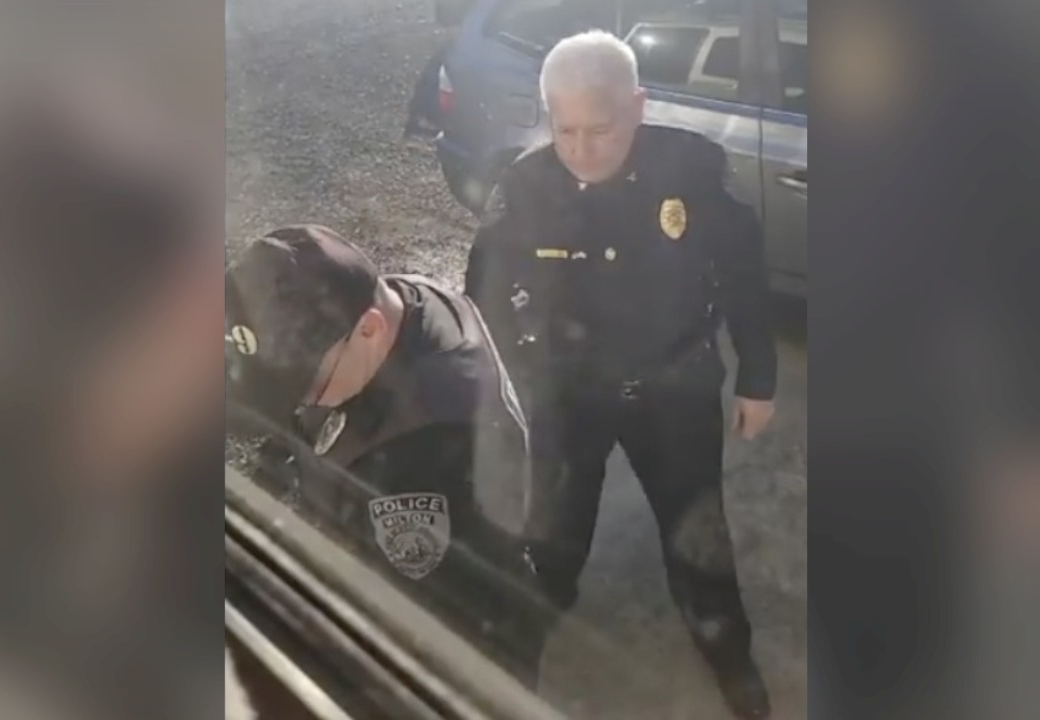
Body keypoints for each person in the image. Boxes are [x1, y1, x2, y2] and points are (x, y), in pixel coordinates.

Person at [464, 31, 778, 718]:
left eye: (600, 128)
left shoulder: (692, 172)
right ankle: (521, 651)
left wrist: (758, 375)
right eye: (564, 127)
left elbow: (745, 277)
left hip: (675, 395)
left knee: (698, 541)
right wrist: (504, 392)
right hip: (568, 400)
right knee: (551, 536)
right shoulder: (524, 188)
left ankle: (730, 658)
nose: (580, 148)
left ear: (638, 105)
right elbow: (483, 295)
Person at [224, 223, 553, 688]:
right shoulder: (403, 300)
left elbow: (401, 629)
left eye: (305, 387)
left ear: (370, 329)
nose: (302, 403)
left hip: (464, 650)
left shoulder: (417, 461)